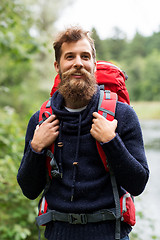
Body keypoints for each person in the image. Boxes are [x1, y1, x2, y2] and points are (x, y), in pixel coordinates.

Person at [17, 26, 149, 240]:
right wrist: (36, 148)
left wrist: (111, 141)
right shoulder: (41, 121)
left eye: (85, 56)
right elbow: (29, 190)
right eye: (70, 57)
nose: (78, 63)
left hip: (110, 234)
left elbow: (138, 183)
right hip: (58, 234)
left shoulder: (121, 116)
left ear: (94, 65)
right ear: (57, 66)